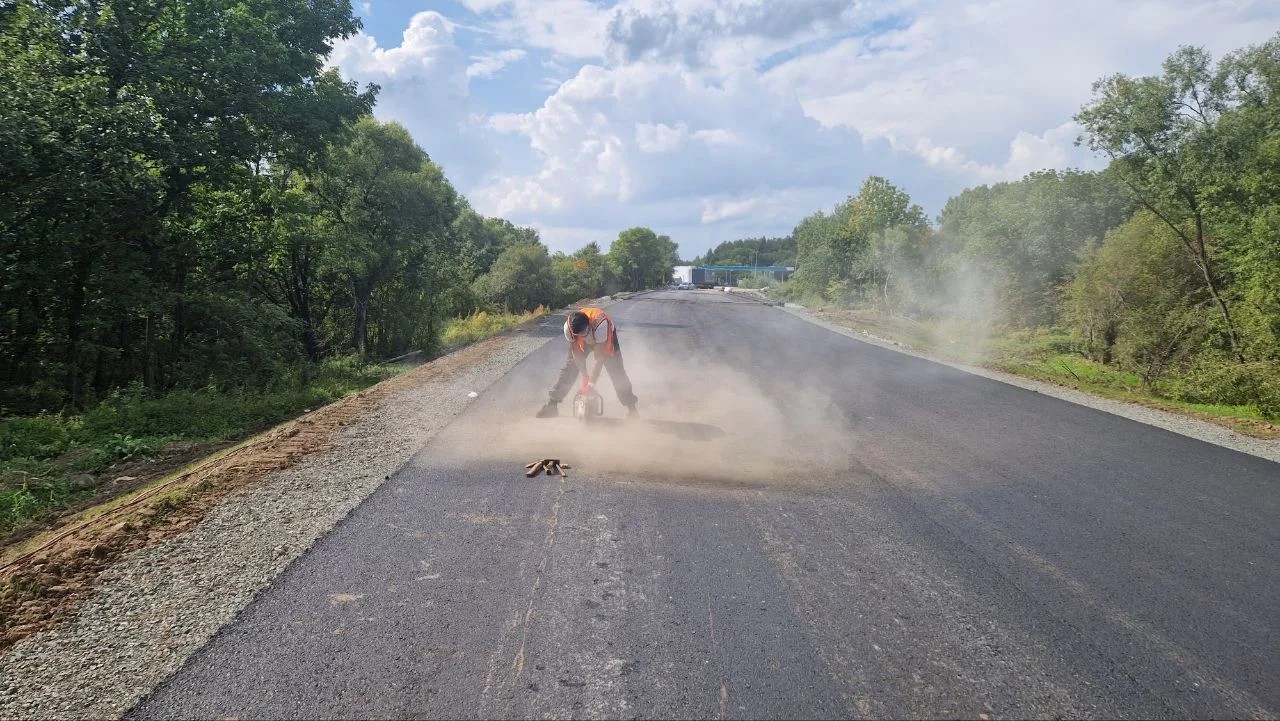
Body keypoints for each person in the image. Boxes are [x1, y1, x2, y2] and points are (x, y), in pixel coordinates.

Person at [536, 307, 638, 418]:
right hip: (584, 338)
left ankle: (632, 409)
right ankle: (552, 406)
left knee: (617, 372)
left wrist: (591, 384)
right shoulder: (568, 329)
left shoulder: (601, 325)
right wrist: (585, 375)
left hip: (602, 339)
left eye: (584, 332)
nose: (583, 336)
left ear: (588, 324)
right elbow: (575, 352)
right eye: (579, 334)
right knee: (570, 368)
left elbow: (599, 359)